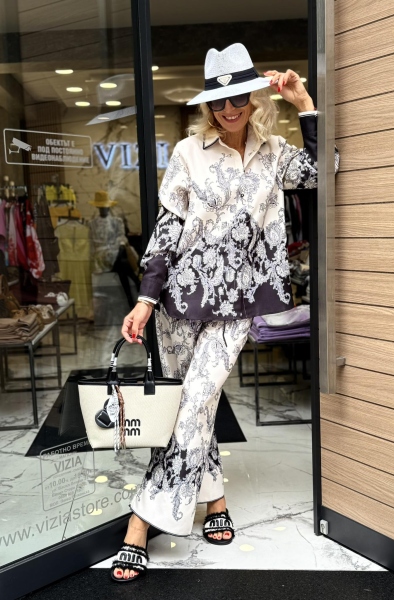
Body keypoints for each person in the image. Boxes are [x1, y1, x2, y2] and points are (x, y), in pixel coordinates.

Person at [112, 42, 337, 582]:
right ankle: (214, 501)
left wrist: (306, 104)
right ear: (208, 105)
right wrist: (145, 298)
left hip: (238, 304)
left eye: (238, 98)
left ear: (252, 98)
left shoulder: (275, 151)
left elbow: (322, 171)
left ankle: (141, 522)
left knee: (195, 398)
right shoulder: (188, 153)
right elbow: (167, 229)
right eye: (219, 101)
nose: (229, 109)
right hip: (179, 302)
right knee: (194, 405)